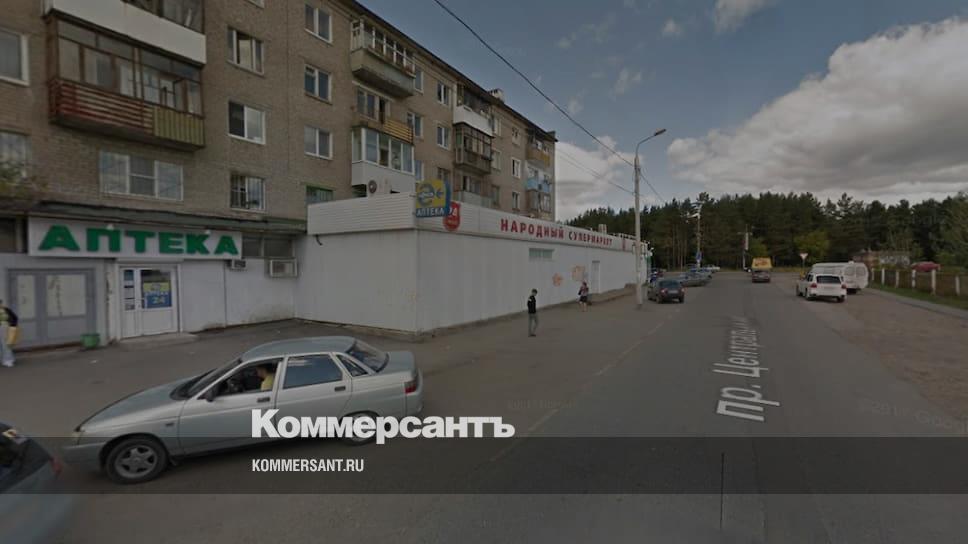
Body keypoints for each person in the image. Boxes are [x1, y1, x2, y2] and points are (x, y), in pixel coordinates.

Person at [0, 299, 18, 368]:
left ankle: (8, 360)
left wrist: (13, 325)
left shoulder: (6, 310)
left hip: (5, 328)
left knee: (6, 344)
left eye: (0, 303)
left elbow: (15, 317)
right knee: (1, 345)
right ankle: (3, 359)